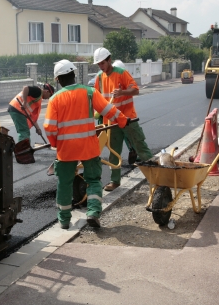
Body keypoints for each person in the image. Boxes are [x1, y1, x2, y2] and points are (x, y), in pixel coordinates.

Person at [44, 59, 130, 229]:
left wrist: (55, 143)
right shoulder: (90, 92)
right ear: (74, 75)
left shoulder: (54, 99)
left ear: (58, 80)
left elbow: (49, 127)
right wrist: (122, 121)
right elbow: (108, 110)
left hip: (66, 151)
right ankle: (93, 212)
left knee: (64, 183)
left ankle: (64, 220)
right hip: (88, 148)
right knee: (93, 180)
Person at [93, 47, 153, 191]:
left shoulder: (121, 73)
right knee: (114, 151)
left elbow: (136, 90)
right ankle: (115, 181)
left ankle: (156, 176)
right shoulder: (99, 78)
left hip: (127, 119)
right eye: (99, 64)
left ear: (109, 60)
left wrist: (122, 92)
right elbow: (97, 97)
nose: (101, 66)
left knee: (140, 146)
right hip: (112, 121)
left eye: (103, 63)